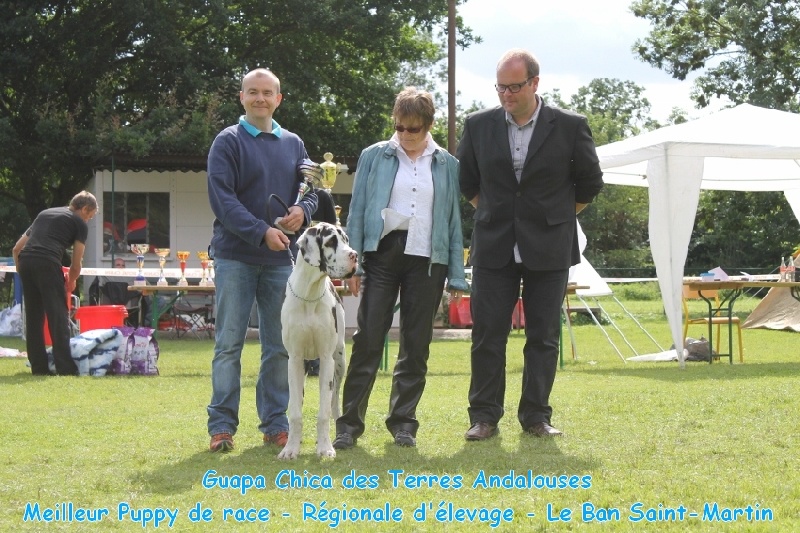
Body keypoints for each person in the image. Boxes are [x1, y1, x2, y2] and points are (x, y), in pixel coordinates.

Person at [457, 49, 604, 441]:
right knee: (488, 334)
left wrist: (554, 216)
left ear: (535, 83)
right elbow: (468, 182)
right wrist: (498, 213)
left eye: (514, 86)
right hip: (494, 245)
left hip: (550, 246)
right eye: (501, 87)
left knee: (543, 336)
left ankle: (536, 417)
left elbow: (590, 183)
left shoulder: (571, 126)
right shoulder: (477, 125)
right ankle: (484, 418)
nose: (506, 94)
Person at [333, 87, 469, 449]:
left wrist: (456, 273)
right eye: (400, 128)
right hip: (382, 254)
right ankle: (348, 426)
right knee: (368, 339)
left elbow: (453, 220)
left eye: (415, 129)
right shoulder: (374, 156)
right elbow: (358, 210)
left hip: (427, 258)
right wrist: (354, 265)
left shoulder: (447, 163)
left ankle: (403, 423)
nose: (406, 136)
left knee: (416, 343)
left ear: (429, 125)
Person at [205, 68, 318, 453]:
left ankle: (275, 424)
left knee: (280, 347)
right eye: (252, 92)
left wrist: (303, 209)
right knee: (228, 345)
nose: (260, 99)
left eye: (267, 93)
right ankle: (221, 427)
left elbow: (313, 190)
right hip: (236, 256)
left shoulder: (294, 143)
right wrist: (260, 232)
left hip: (279, 261)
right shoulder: (228, 142)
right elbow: (223, 200)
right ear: (241, 97)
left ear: (278, 99)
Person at [12, 191, 98, 375]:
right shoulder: (79, 224)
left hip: (26, 261)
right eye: (89, 216)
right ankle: (65, 368)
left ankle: (39, 367)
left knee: (34, 318)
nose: (88, 220)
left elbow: (17, 248)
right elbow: (76, 262)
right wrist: (72, 281)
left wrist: (22, 271)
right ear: (83, 209)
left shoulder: (45, 214)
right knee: (58, 315)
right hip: (48, 262)